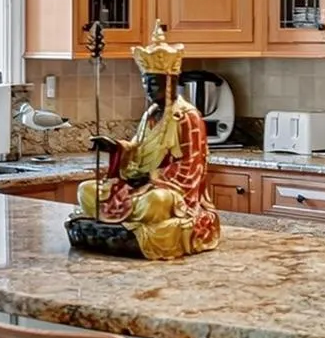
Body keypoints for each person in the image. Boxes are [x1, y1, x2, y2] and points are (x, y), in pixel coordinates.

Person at [75, 22, 220, 259]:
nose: (148, 89)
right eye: (145, 82)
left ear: (170, 82)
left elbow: (193, 168)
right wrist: (115, 147)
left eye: (153, 83)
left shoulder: (187, 117)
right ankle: (122, 228)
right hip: (138, 185)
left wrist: (154, 177)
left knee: (155, 202)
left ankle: (132, 231)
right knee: (87, 191)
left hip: (170, 191)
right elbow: (138, 149)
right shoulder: (150, 114)